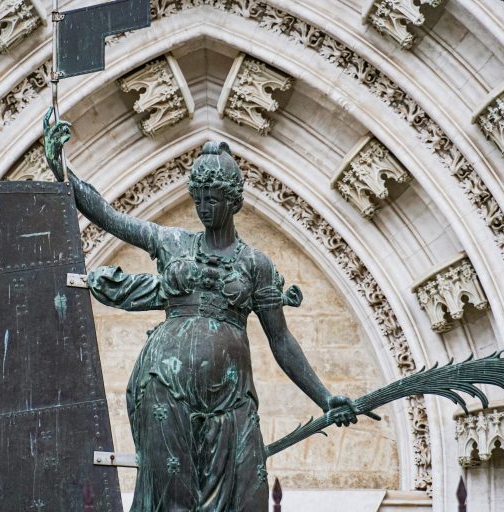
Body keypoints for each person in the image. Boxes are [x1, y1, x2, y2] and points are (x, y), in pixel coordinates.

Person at [43, 108, 358, 511]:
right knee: (170, 499)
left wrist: (325, 397)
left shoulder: (255, 265)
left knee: (247, 497)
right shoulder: (171, 241)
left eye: (213, 199)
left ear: (232, 200)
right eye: (199, 199)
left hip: (230, 398)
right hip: (164, 384)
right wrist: (63, 172)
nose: (204, 207)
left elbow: (281, 341)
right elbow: (108, 216)